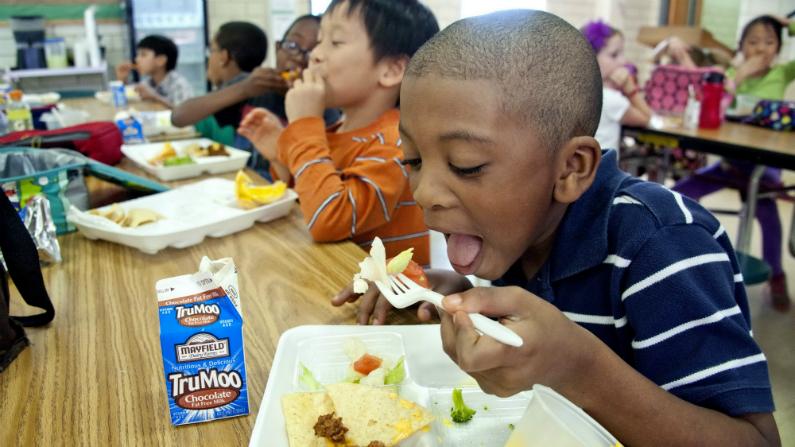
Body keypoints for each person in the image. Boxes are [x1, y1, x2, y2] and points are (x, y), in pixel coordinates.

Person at [337, 9, 781, 445]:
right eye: (413, 160)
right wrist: (454, 297)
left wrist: (578, 369)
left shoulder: (662, 245)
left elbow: (757, 440)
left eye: (466, 165)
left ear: (570, 168)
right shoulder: (524, 230)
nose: (424, 192)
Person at [239, 0, 439, 317]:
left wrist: (304, 126)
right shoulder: (335, 132)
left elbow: (329, 219)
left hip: (387, 313)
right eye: (320, 41)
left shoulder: (394, 141)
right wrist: (280, 156)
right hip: (328, 285)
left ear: (391, 70)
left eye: (335, 42)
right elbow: (307, 204)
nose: (316, 54)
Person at [674, 15, 795, 312]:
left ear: (778, 49)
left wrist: (788, 24)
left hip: (762, 170)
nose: (761, 49)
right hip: (729, 166)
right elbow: (713, 108)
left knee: (769, 217)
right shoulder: (730, 74)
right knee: (679, 193)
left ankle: (777, 276)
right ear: (741, 47)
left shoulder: (782, 72)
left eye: (769, 42)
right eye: (753, 42)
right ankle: (677, 256)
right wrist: (738, 76)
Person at [171, 15, 339, 132]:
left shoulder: (326, 106)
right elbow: (179, 117)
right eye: (292, 45)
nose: (298, 58)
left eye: (312, 51)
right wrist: (244, 89)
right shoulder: (255, 87)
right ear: (277, 48)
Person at [581, 20, 652, 152]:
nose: (623, 61)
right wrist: (630, 88)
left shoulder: (581, 92)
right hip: (603, 165)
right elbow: (646, 118)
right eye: (614, 55)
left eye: (622, 54)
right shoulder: (608, 98)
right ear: (590, 59)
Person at [116, 35, 193, 108]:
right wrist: (123, 80)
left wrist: (155, 97)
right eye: (138, 55)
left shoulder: (179, 84)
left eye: (143, 55)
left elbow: (185, 112)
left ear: (161, 60)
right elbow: (133, 95)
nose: (137, 59)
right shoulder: (148, 82)